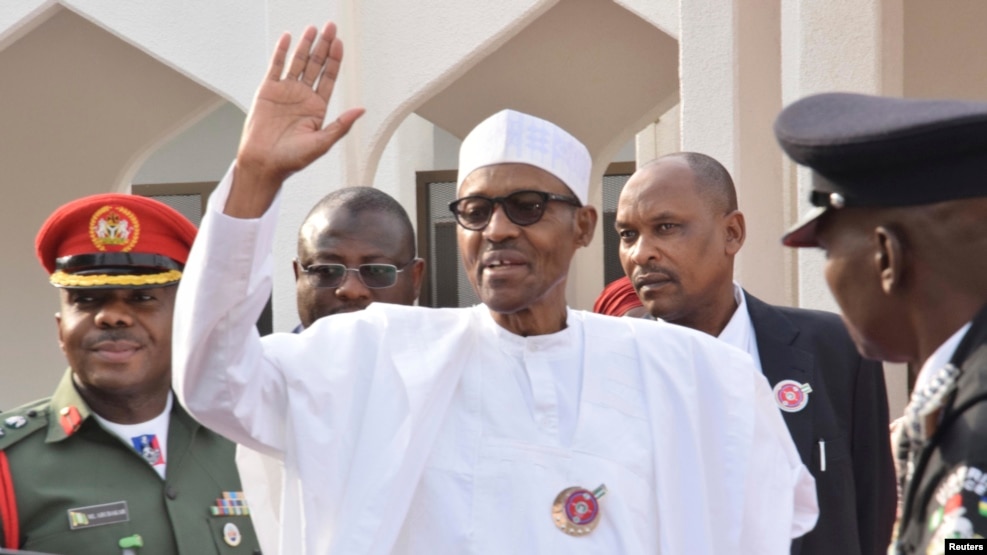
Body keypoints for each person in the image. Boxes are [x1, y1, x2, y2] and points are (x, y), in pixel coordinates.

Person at [172, 21, 817, 554]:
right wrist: (255, 176)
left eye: (528, 205)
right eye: (474, 212)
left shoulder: (686, 373)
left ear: (584, 225)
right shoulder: (376, 355)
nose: (498, 229)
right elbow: (212, 379)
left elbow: (778, 510)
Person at [615, 151, 897, 555]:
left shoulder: (834, 349)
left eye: (666, 227)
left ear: (732, 233)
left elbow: (871, 514)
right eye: (627, 235)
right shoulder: (605, 364)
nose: (641, 253)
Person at [773, 92, 987, 554]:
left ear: (886, 256)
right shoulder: (958, 397)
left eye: (828, 251)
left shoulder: (977, 425)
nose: (829, 274)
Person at [0, 194, 259, 554]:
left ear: (184, 323)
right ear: (61, 330)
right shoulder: (8, 466)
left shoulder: (246, 440)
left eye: (142, 298)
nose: (112, 317)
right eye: (88, 299)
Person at [240, 185, 424, 552]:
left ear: (415, 278)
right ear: (297, 274)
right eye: (326, 270)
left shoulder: (450, 379)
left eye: (377, 271)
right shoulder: (256, 380)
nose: (351, 289)